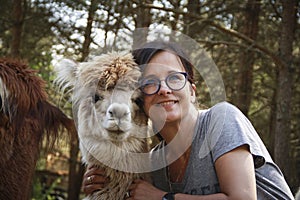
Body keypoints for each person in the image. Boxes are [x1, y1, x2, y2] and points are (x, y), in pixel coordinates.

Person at [82, 41, 294, 200]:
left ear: (192, 91)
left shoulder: (221, 119)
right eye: (150, 83)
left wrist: (163, 197)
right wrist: (101, 181)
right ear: (140, 101)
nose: (164, 89)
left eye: (174, 78)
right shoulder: (156, 163)